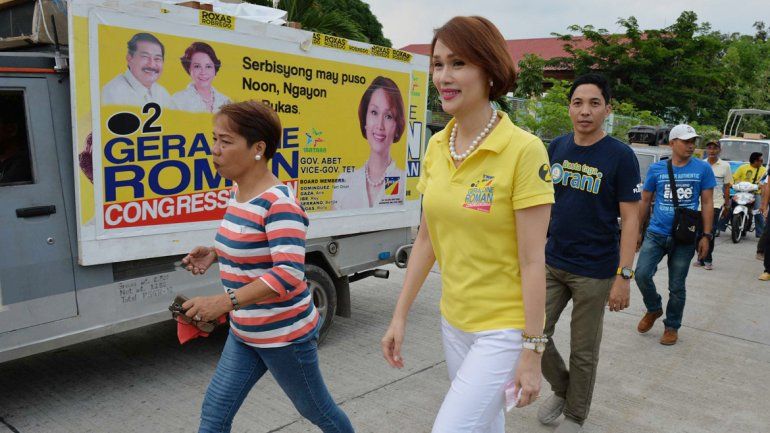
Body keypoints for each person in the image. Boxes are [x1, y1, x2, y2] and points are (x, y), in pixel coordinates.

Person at [380, 16, 554, 433]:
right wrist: (399, 316)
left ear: (489, 70)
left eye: (457, 63)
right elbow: (427, 239)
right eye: (438, 64)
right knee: (486, 423)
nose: (443, 76)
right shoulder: (438, 146)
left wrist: (532, 350)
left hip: (503, 327)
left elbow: (534, 262)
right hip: (454, 321)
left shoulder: (525, 151)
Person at [180, 101, 354, 433]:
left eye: (226, 141)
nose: (214, 150)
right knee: (214, 414)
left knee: (320, 412)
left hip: (285, 337)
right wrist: (215, 253)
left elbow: (287, 273)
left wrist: (222, 302)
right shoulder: (238, 192)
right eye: (214, 139)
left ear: (258, 148)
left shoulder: (279, 204)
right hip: (245, 331)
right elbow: (251, 244)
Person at [537, 74, 641, 433]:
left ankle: (576, 415)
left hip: (595, 271)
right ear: (569, 107)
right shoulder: (557, 148)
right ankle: (563, 389)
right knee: (532, 333)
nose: (585, 111)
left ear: (607, 110)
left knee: (583, 350)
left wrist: (623, 277)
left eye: (594, 103)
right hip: (552, 262)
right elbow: (542, 206)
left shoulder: (621, 156)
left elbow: (631, 220)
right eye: (578, 103)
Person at [635, 124, 716, 346]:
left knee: (677, 285)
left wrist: (706, 235)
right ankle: (654, 308)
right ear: (672, 143)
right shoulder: (657, 170)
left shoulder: (703, 169)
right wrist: (637, 231)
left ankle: (672, 326)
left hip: (685, 237)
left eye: (693, 141)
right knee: (641, 274)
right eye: (686, 141)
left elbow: (707, 202)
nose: (691, 145)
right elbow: (645, 199)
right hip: (656, 233)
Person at [332, 76, 406, 210]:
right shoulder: (344, 182)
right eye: (374, 112)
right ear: (365, 120)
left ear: (397, 126)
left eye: (388, 116)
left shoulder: (404, 182)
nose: (380, 125)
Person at [102, 32, 172, 107]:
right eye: (145, 56)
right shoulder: (113, 93)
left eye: (157, 58)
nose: (152, 64)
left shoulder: (163, 94)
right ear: (129, 58)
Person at [693, 141, 732, 270]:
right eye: (709, 148)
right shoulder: (700, 165)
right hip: (699, 203)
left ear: (719, 150)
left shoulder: (725, 166)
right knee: (698, 232)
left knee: (709, 232)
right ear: (706, 150)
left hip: (715, 203)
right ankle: (700, 257)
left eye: (715, 148)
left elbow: (727, 186)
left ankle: (708, 259)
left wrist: (727, 205)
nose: (712, 151)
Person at [171, 42, 232, 113]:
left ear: (215, 69)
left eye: (208, 66)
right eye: (197, 66)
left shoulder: (227, 102)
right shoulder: (177, 100)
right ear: (189, 69)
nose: (203, 72)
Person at [732, 152, 766, 237]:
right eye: (761, 160)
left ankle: (761, 233)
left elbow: (764, 183)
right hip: (741, 192)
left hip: (755, 193)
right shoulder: (743, 168)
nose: (762, 162)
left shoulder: (763, 170)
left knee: (758, 211)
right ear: (755, 161)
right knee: (729, 205)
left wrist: (761, 187)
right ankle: (719, 227)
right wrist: (732, 184)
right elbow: (734, 178)